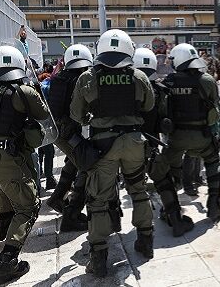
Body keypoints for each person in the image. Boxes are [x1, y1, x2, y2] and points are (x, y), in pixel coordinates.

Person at [70, 29, 155, 276]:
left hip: (102, 146)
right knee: (138, 191)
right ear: (129, 49)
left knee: (98, 200)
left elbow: (76, 114)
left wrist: (91, 117)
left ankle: (99, 257)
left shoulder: (88, 77)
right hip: (133, 142)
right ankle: (146, 242)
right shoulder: (139, 76)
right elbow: (148, 106)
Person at [0, 45, 50, 284]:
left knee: (5, 186)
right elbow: (43, 114)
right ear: (19, 65)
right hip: (3, 158)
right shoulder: (22, 90)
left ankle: (3, 228)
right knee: (28, 205)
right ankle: (7, 262)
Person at [148, 43, 220, 225]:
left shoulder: (169, 81)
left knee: (169, 172)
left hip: (176, 139)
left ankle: (170, 209)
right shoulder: (207, 80)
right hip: (203, 137)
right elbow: (215, 106)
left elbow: (161, 108)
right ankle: (214, 206)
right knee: (214, 163)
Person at [133, 47, 196, 235]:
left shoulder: (125, 87)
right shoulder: (160, 91)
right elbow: (165, 124)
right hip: (149, 147)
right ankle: (175, 219)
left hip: (117, 146)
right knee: (163, 181)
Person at [46, 44, 94, 233]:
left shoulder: (59, 78)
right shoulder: (79, 79)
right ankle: (71, 216)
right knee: (85, 165)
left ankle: (57, 198)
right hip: (68, 132)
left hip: (59, 131)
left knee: (73, 163)